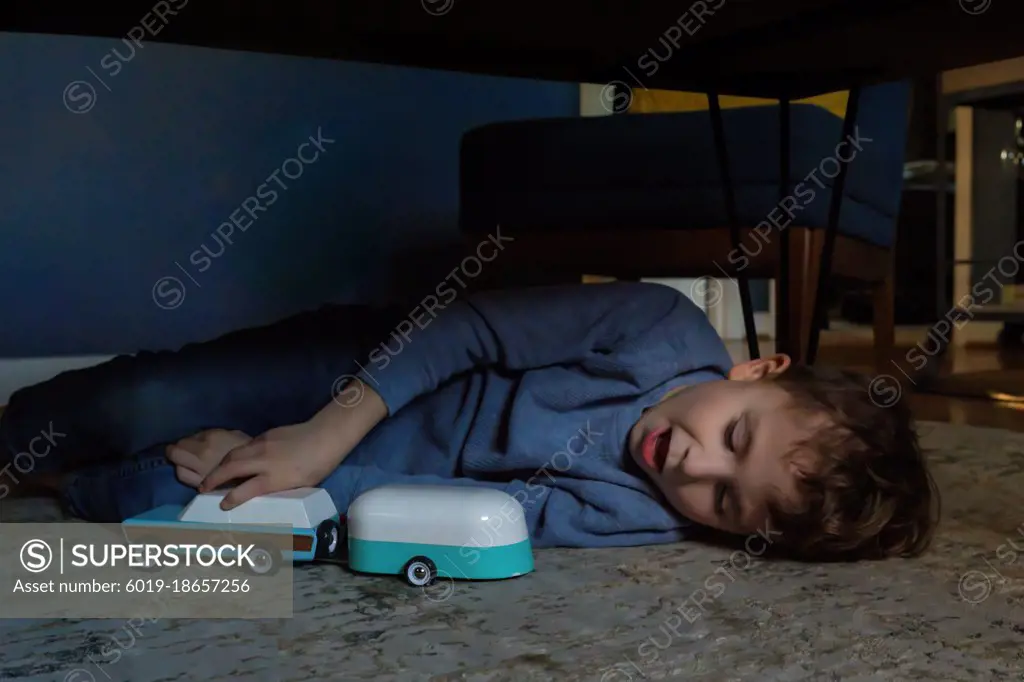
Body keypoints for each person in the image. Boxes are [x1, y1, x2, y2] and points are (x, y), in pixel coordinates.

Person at [0, 281, 938, 560]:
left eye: (726, 504)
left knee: (160, 508)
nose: (694, 469)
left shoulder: (646, 512)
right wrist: (321, 433)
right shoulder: (658, 327)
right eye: (734, 436)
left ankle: (49, 489)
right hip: (361, 370)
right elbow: (470, 324)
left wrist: (304, 478)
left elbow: (459, 508)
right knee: (129, 404)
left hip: (352, 469)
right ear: (757, 366)